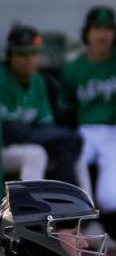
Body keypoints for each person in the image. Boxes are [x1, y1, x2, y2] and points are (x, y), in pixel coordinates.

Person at [59, 6, 116, 238]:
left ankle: (98, 224)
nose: (102, 34)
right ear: (87, 33)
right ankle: (84, 224)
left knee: (112, 198)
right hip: (86, 130)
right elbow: (66, 107)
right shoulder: (72, 69)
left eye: (108, 29)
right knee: (71, 156)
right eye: (97, 28)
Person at [0, 25, 83, 188]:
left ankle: (82, 207)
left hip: (23, 143)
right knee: (36, 154)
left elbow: (46, 126)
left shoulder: (38, 81)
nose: (28, 59)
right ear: (9, 56)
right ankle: (24, 211)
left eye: (33, 53)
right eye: (22, 53)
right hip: (5, 147)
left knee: (71, 151)